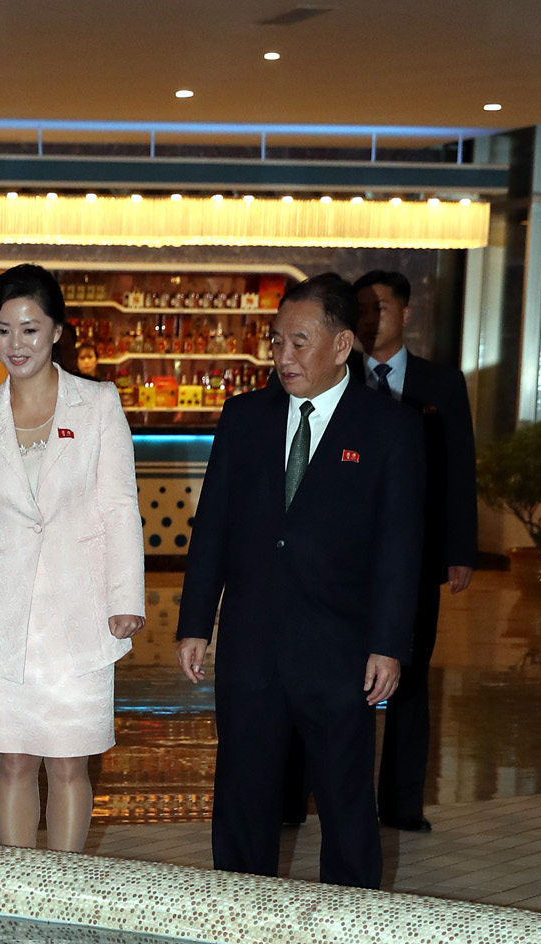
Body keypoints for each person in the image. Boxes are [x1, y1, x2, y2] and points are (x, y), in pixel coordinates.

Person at [176, 272, 424, 891]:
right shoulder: (244, 417)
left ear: (341, 346)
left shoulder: (389, 428)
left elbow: (400, 549)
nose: (283, 356)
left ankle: (351, 925)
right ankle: (239, 920)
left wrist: (388, 645)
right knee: (242, 798)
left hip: (340, 652)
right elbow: (213, 526)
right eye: (276, 341)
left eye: (299, 342)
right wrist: (194, 623)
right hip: (251, 646)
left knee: (345, 805)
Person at [0, 263, 145, 852]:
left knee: (70, 763)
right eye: (3, 330)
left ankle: (64, 884)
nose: (16, 344)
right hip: (5, 616)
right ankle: (16, 884)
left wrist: (125, 598)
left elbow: (119, 506)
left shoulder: (97, 404)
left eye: (30, 330)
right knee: (12, 760)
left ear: (56, 330)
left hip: (80, 613)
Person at [355, 267, 477, 832]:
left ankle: (401, 806)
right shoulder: (337, 378)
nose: (371, 319)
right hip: (347, 557)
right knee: (334, 676)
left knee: (409, 674)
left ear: (405, 313)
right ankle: (321, 798)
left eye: (380, 307)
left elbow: (458, 468)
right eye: (362, 309)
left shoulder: (442, 383)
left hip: (417, 557)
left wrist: (461, 548)